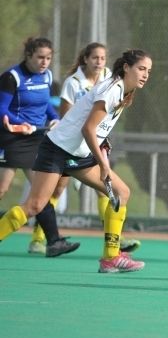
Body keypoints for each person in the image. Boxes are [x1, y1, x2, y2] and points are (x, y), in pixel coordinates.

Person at [0, 49, 152, 273]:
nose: (146, 74)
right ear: (127, 67)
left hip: (78, 154)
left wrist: (103, 141)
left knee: (122, 193)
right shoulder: (112, 89)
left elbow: (96, 127)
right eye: (141, 69)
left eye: (148, 71)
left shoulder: (125, 91)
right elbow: (88, 127)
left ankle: (111, 257)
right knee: (34, 206)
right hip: (57, 150)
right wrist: (103, 165)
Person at [27, 43, 141, 255]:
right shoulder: (74, 83)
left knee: (111, 193)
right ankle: (39, 238)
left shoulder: (112, 78)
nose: (99, 62)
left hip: (86, 149)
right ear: (85, 59)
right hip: (66, 147)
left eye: (103, 58)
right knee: (52, 193)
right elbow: (71, 118)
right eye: (95, 58)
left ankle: (113, 246)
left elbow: (99, 122)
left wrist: (101, 140)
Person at [0, 36, 77, 257]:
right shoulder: (11, 77)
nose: (45, 62)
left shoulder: (47, 76)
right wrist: (18, 123)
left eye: (49, 58)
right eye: (40, 57)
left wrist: (54, 119)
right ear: (28, 56)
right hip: (11, 139)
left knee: (42, 192)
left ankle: (53, 241)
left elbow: (46, 108)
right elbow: (1, 109)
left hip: (36, 140)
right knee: (2, 189)